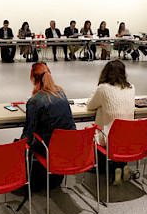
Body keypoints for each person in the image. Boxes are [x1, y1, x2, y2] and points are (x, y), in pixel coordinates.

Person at [21, 62, 75, 191]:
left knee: (22, 142)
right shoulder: (61, 93)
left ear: (33, 78)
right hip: (68, 144)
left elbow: (29, 133)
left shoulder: (35, 101)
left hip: (48, 147)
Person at [86, 60, 136, 184]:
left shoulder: (103, 88)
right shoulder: (131, 87)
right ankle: (121, 165)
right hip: (129, 136)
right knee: (109, 121)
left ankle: (108, 167)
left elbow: (90, 105)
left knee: (96, 131)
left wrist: (96, 89)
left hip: (109, 138)